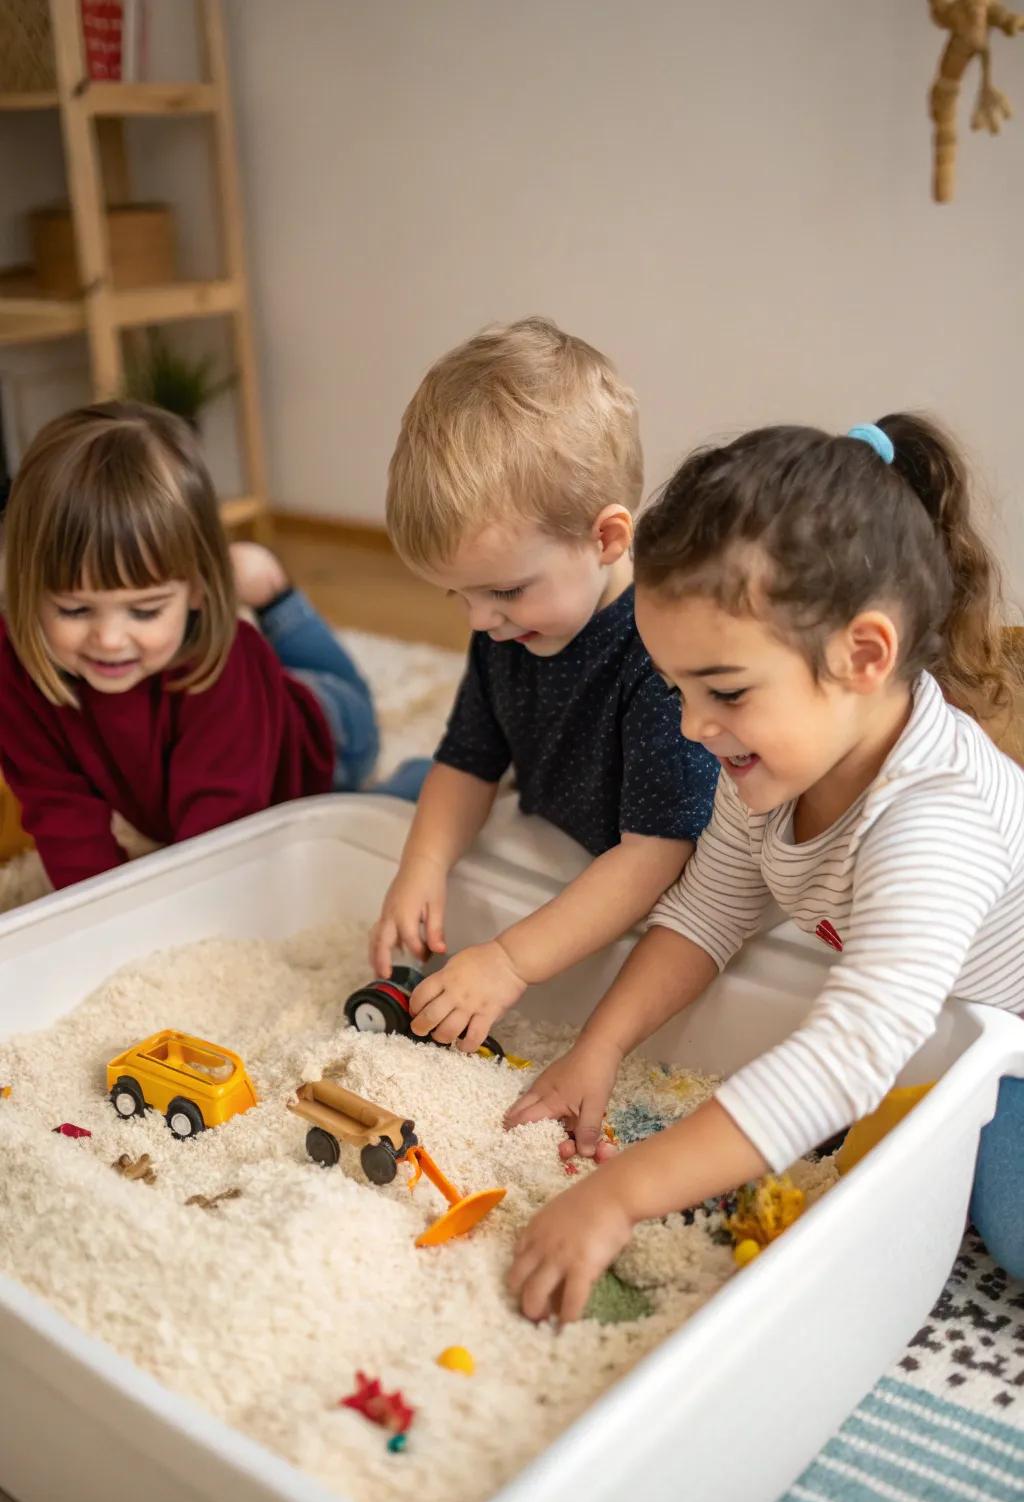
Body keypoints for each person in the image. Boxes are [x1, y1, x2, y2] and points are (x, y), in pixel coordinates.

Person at [506, 414, 1024, 1320]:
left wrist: (621, 1194)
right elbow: (705, 916)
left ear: (864, 656)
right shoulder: (773, 766)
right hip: (929, 1022)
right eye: (676, 689)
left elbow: (849, 1056)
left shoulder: (937, 818)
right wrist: (598, 1047)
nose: (691, 727)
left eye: (726, 691)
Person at [371, 318, 719, 1047]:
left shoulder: (663, 655)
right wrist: (422, 865)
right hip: (553, 825)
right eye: (457, 597)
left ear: (607, 539)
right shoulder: (506, 623)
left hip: (653, 868)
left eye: (503, 592)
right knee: (399, 804)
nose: (479, 621)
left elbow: (657, 853)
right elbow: (468, 757)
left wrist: (508, 960)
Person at [0, 401, 423, 891]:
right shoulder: (14, 671)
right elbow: (59, 809)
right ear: (27, 586)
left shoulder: (225, 666)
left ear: (199, 587)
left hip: (328, 738)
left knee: (381, 802)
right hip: (247, 708)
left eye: (145, 610)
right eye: (74, 610)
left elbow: (218, 851)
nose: (110, 640)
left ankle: (275, 597)